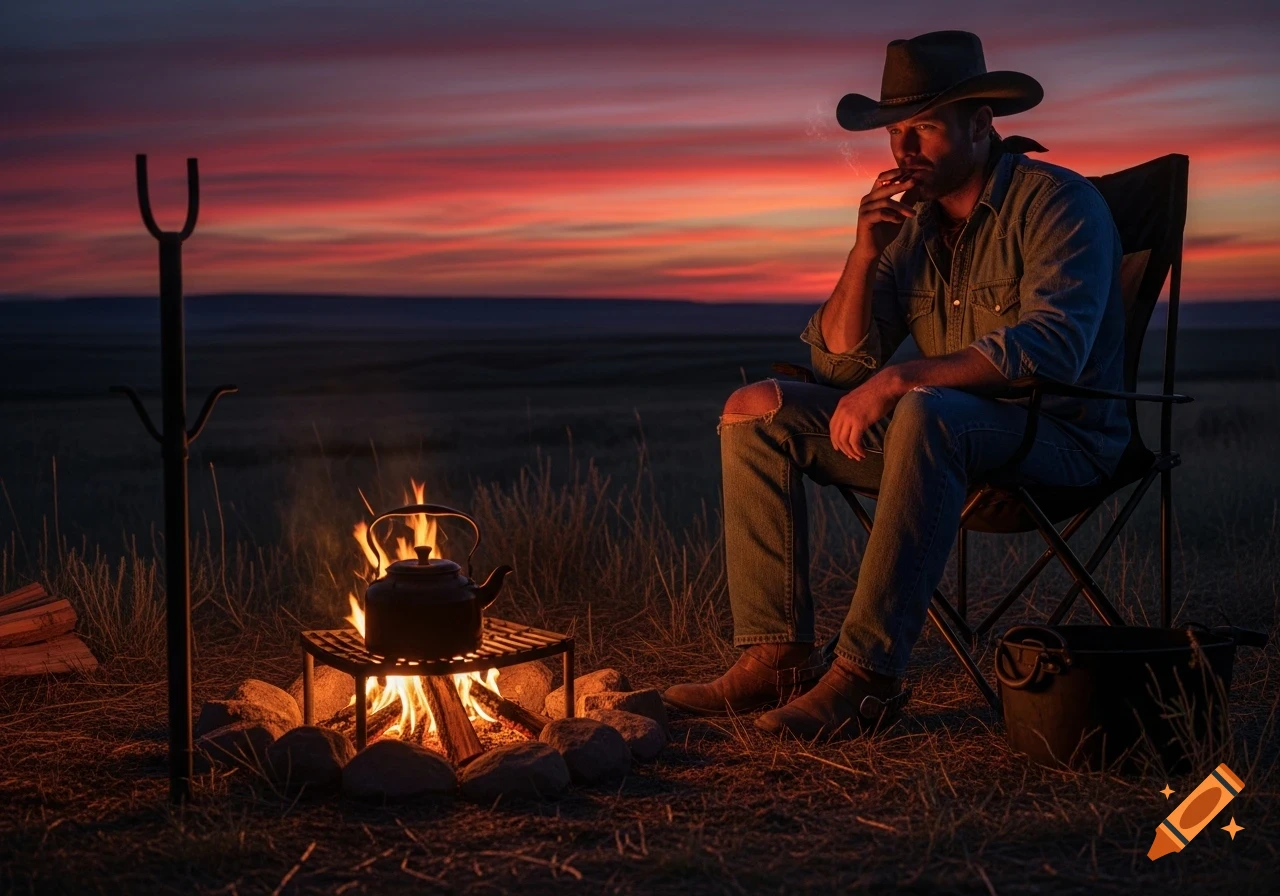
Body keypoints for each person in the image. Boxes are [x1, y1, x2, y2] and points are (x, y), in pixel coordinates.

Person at [662, 30, 1130, 739]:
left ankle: (864, 678)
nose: (904, 152)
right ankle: (777, 656)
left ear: (980, 124)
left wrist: (905, 377)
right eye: (896, 133)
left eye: (925, 130)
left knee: (923, 408)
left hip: (1058, 440)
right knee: (754, 409)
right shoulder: (912, 231)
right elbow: (841, 369)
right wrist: (864, 253)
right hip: (939, 441)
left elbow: (1054, 348)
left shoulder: (1058, 203)